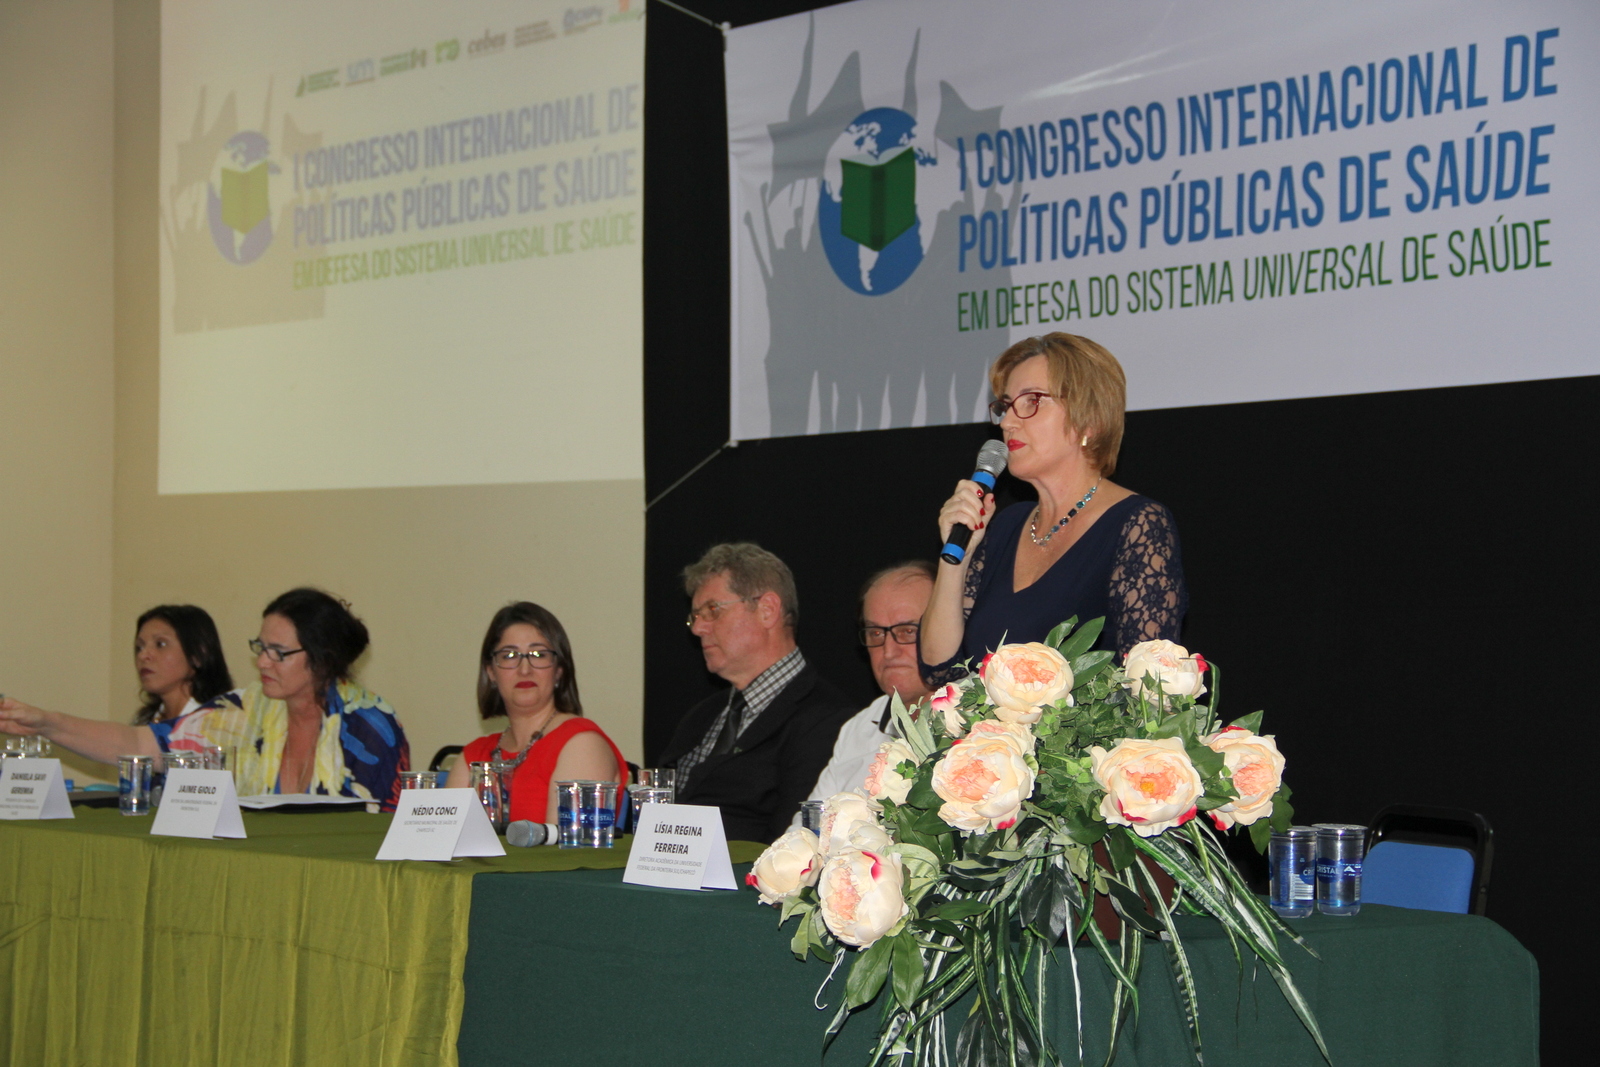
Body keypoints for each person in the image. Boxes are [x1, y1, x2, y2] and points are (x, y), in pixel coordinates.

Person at [921, 333, 1187, 686]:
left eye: (1032, 401)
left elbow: (1151, 692)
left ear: (1088, 420)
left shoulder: (1138, 525)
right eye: (1005, 405)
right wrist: (955, 557)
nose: (1006, 422)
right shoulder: (1005, 526)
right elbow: (940, 672)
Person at [0, 588, 410, 811]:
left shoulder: (370, 724)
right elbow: (140, 746)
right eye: (259, 646)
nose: (262, 662)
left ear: (322, 660)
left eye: (278, 653)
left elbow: (379, 828)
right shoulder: (243, 710)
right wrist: (46, 723)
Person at [657, 543, 856, 843]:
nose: (697, 628)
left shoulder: (828, 719)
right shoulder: (702, 716)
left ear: (767, 610)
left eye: (712, 610)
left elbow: (793, 847)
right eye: (694, 616)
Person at [446, 601, 628, 823]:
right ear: (491, 671)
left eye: (539, 655)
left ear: (559, 670)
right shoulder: (473, 757)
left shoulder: (581, 744)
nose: (525, 669)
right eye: (509, 656)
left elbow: (564, 854)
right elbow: (443, 847)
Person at [806, 562, 935, 802]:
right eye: (876, 633)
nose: (888, 651)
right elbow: (809, 829)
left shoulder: (983, 720)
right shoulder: (858, 729)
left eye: (907, 631)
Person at [131, 604, 235, 724]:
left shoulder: (220, 726)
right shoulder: (143, 723)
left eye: (161, 644)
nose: (142, 656)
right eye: (139, 647)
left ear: (198, 655)